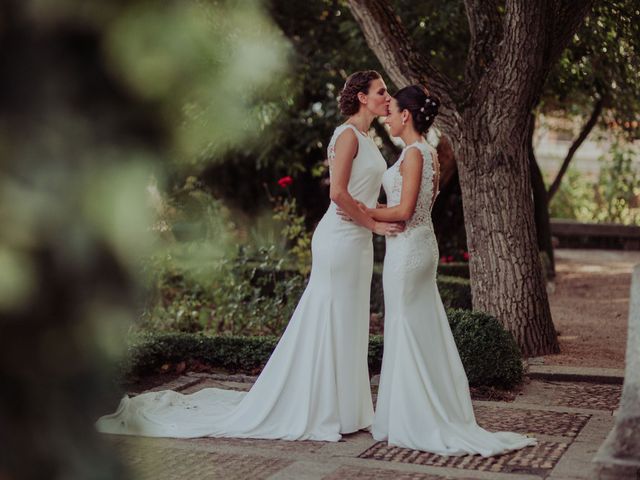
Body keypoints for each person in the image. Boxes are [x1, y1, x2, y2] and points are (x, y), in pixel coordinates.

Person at [95, 70, 403, 441]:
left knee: (351, 320)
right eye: (381, 91)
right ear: (360, 97)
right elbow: (337, 193)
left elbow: (364, 194)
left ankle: (348, 410)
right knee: (330, 317)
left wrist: (389, 216)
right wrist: (372, 225)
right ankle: (321, 409)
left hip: (359, 244)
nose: (387, 97)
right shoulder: (347, 135)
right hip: (340, 239)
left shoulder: (371, 141)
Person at [343, 84, 537, 456]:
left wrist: (360, 208)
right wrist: (372, 209)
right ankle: (408, 414)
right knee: (409, 326)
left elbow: (403, 212)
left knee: (407, 328)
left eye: (392, 109)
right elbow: (403, 208)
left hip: (410, 249)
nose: (386, 114)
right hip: (409, 247)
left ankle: (418, 418)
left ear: (406, 115)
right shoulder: (419, 153)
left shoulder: (416, 154)